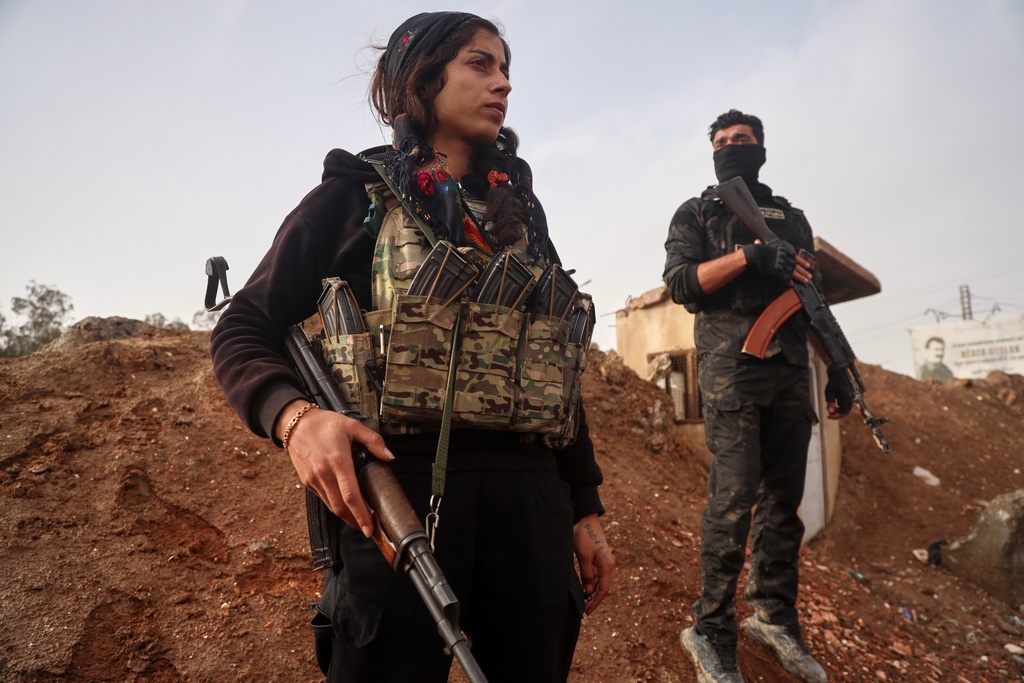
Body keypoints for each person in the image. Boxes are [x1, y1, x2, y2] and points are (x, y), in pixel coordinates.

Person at [210, 12, 613, 683]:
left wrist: (585, 505)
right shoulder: (357, 196)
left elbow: (551, 360)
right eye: (480, 64)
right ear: (422, 79)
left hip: (531, 504)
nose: (503, 83)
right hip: (400, 488)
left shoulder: (521, 217)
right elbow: (243, 326)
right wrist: (296, 420)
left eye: (506, 68)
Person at [663, 110, 851, 683]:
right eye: (721, 143)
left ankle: (773, 616)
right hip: (732, 372)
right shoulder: (697, 212)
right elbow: (681, 284)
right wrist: (749, 257)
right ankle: (711, 628)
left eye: (741, 141)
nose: (731, 148)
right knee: (733, 498)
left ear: (761, 150)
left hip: (792, 371)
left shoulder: (790, 218)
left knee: (782, 505)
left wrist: (838, 368)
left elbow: (812, 299)